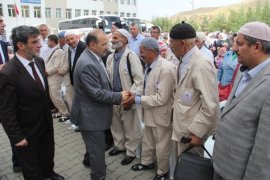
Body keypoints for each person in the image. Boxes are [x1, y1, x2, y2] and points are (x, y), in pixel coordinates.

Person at [0, 25, 64, 180]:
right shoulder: (8, 73)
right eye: (34, 42)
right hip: (26, 133)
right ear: (20, 45)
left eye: (40, 40)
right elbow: (5, 111)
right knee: (32, 170)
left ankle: (50, 174)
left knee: (47, 157)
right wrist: (17, 137)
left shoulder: (40, 62)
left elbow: (41, 93)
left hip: (45, 126)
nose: (40, 45)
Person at [213, 21, 270, 180]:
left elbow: (264, 152)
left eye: (239, 43)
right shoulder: (243, 69)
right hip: (221, 164)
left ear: (257, 47)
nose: (233, 48)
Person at [70, 29, 129, 180]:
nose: (107, 47)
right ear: (91, 44)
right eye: (104, 44)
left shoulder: (93, 56)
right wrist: (119, 96)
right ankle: (98, 175)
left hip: (93, 115)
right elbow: (96, 93)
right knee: (97, 152)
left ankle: (93, 163)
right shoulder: (87, 64)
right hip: (90, 117)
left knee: (94, 149)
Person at [128, 37, 176, 180]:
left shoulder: (166, 69)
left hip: (161, 115)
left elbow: (161, 98)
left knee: (162, 146)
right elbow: (146, 87)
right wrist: (134, 94)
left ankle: (162, 172)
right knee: (148, 140)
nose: (140, 54)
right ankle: (147, 162)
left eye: (142, 52)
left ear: (151, 51)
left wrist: (136, 99)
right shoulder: (149, 65)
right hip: (149, 111)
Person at [169, 22, 219, 157]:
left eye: (172, 41)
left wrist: (197, 132)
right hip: (182, 127)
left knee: (189, 168)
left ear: (183, 43)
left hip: (191, 134)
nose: (170, 45)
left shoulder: (201, 64)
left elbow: (210, 104)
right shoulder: (183, 60)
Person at [106, 29, 143, 165]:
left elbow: (139, 80)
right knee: (115, 124)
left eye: (116, 37)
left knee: (130, 126)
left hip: (127, 97)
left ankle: (131, 152)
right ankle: (120, 146)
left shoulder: (131, 56)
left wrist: (130, 97)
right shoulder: (111, 57)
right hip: (114, 97)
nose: (112, 40)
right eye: (112, 37)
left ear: (125, 40)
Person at [45, 35, 70, 121]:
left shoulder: (59, 51)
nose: (47, 43)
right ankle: (60, 111)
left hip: (55, 77)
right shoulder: (52, 50)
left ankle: (65, 113)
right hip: (50, 77)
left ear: (52, 41)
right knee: (52, 96)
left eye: (48, 41)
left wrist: (47, 72)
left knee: (56, 96)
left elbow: (57, 66)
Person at [217, 34, 239, 101]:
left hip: (234, 89)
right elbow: (221, 69)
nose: (235, 43)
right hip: (223, 87)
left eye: (237, 42)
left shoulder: (242, 56)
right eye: (233, 41)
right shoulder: (228, 54)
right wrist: (218, 83)